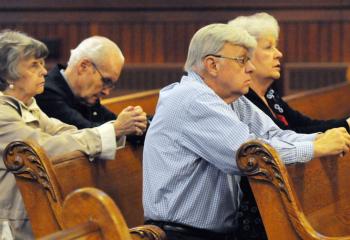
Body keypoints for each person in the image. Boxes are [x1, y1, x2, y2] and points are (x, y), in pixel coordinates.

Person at [142, 23, 350, 240]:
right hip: (181, 235)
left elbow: (273, 135)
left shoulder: (230, 98)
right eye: (242, 60)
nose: (250, 67)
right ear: (212, 65)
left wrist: (321, 138)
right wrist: (314, 147)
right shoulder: (192, 98)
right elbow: (249, 154)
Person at [0, 30, 147, 239]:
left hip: (31, 216)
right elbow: (44, 148)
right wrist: (113, 129)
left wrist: (114, 129)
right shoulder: (2, 113)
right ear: (8, 73)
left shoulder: (28, 105)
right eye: (34, 65)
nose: (44, 71)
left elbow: (63, 131)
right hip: (10, 226)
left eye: (42, 63)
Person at [228, 12, 350, 239]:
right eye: (269, 47)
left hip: (287, 194)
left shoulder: (270, 95)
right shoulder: (239, 100)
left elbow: (303, 126)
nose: (279, 54)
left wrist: (345, 126)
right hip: (261, 210)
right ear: (247, 56)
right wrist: (327, 138)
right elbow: (284, 138)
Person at [35, 36, 149, 144]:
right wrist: (122, 127)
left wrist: (139, 122)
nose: (106, 92)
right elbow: (85, 132)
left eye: (111, 85)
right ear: (83, 66)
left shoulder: (86, 95)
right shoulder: (45, 92)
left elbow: (114, 122)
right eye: (106, 81)